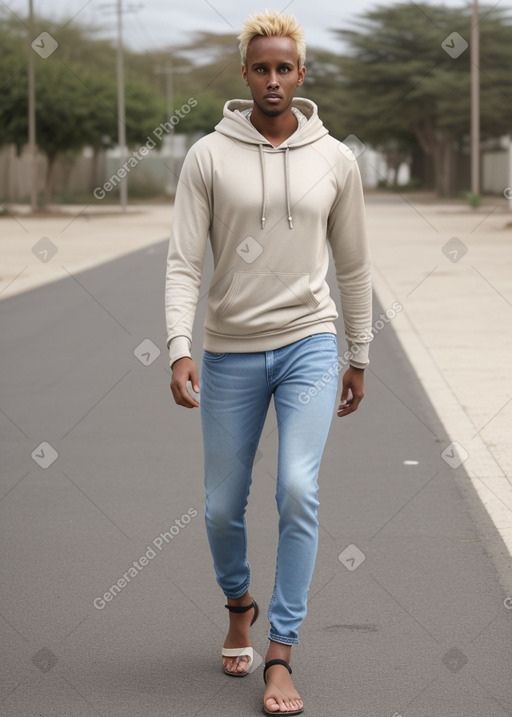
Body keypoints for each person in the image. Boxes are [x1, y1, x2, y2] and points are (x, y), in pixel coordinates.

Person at [165, 10, 372, 715]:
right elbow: (183, 263)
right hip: (228, 351)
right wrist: (179, 346)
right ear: (245, 73)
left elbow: (355, 267)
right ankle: (238, 604)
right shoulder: (208, 156)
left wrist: (360, 353)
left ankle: (280, 653)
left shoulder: (336, 158)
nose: (274, 79)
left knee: (296, 486)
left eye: (286, 68)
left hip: (310, 343)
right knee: (223, 505)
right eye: (262, 68)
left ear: (302, 73)